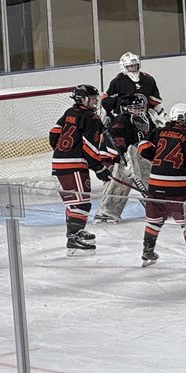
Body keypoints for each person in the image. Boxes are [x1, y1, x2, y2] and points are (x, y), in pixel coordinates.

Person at [137, 103, 186, 267]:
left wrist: (158, 157)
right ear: (181, 119)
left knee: (153, 221)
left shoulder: (159, 131)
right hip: (178, 187)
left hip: (154, 184)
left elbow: (143, 148)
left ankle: (147, 252)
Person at [49, 84, 112, 253]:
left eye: (94, 99)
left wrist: (61, 150)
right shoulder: (91, 117)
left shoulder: (70, 113)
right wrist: (99, 167)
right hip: (73, 163)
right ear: (81, 99)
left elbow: (54, 133)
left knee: (76, 201)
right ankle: (74, 239)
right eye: (91, 99)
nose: (94, 102)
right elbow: (89, 145)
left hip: (63, 161)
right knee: (81, 203)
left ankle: (75, 234)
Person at [95, 94, 153, 223]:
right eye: (135, 108)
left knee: (149, 173)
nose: (139, 111)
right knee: (122, 177)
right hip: (113, 158)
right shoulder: (121, 121)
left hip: (135, 156)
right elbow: (115, 142)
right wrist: (123, 156)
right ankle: (107, 212)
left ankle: (157, 202)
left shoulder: (146, 120)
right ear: (126, 109)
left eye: (140, 108)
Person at [102, 53, 163, 123]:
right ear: (124, 67)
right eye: (131, 66)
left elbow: (155, 102)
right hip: (122, 119)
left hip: (143, 118)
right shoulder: (118, 81)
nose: (134, 68)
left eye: (135, 65)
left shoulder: (148, 80)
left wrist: (162, 117)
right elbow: (107, 102)